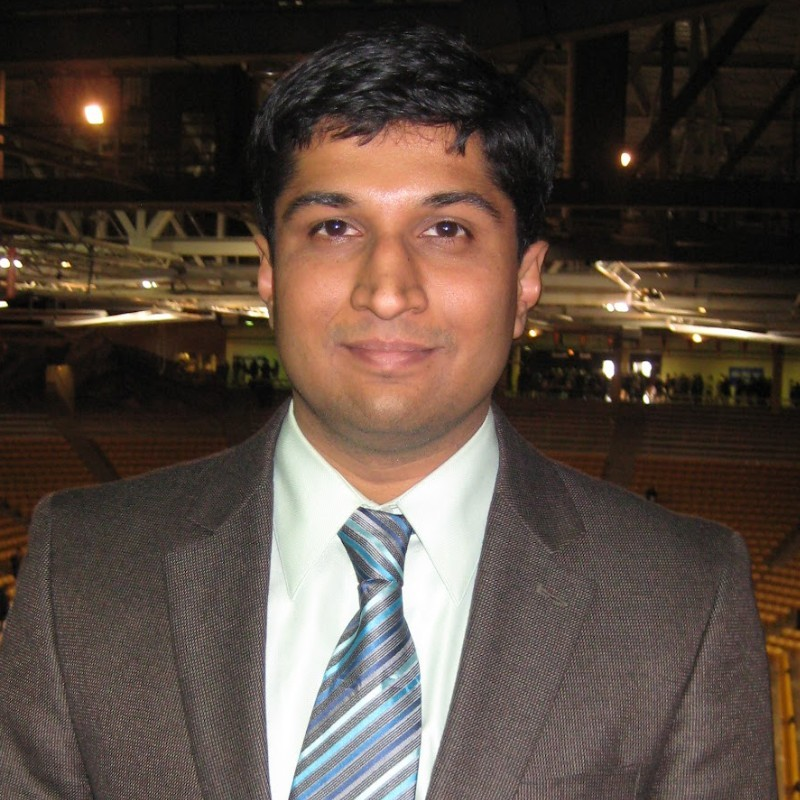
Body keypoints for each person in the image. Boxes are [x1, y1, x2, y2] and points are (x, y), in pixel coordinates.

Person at [0, 26, 776, 800]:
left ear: (526, 281)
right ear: (268, 271)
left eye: (447, 230)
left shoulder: (681, 596)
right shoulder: (85, 568)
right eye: (334, 228)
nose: (387, 290)